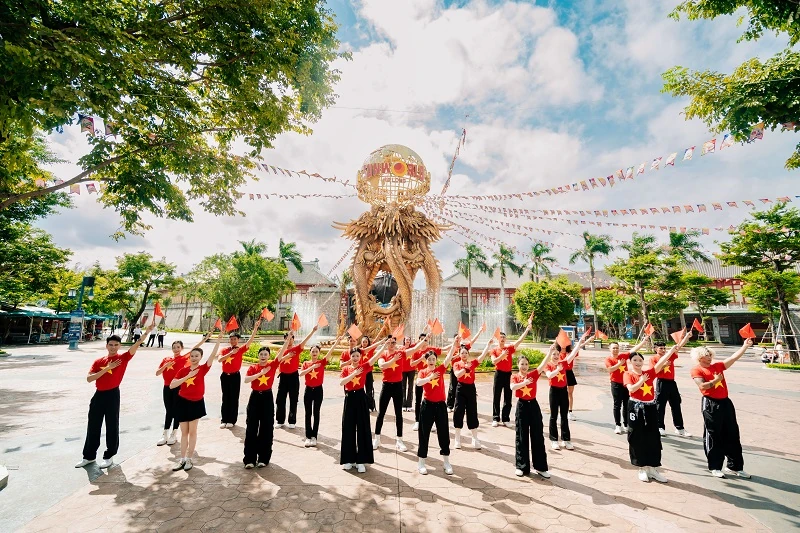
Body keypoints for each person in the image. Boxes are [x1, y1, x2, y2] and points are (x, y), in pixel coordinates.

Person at [75, 324, 153, 469]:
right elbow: (89, 379)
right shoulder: (99, 361)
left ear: (119, 346)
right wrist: (107, 369)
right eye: (110, 344)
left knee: (112, 425)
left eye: (116, 345)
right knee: (93, 426)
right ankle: (89, 456)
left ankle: (109, 456)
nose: (113, 347)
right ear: (106, 346)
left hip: (113, 395)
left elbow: (136, 344)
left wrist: (147, 332)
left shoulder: (123, 358)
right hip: (98, 395)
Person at [625, 329, 692, 483]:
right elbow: (631, 389)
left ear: (643, 362)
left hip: (649, 407)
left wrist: (673, 349)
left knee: (653, 437)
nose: (637, 362)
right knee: (637, 436)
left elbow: (662, 362)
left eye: (640, 360)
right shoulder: (628, 374)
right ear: (630, 362)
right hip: (635, 407)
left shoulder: (649, 372)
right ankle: (642, 467)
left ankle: (653, 468)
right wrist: (641, 381)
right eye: (634, 360)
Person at [690, 339, 753, 479]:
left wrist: (744, 346)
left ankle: (734, 466)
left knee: (732, 434)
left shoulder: (718, 366)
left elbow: (733, 358)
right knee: (713, 435)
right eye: (706, 354)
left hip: (725, 403)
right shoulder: (697, 369)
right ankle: (715, 466)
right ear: (700, 357)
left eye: (710, 353)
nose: (709, 356)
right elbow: (702, 386)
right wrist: (715, 381)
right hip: (710, 404)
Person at [169, 329, 225, 471]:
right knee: (184, 433)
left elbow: (213, 355)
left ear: (200, 357)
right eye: (192, 355)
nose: (193, 357)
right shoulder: (183, 370)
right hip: (182, 402)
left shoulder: (202, 369)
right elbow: (172, 385)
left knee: (192, 432)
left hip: (196, 403)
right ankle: (181, 459)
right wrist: (187, 377)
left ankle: (189, 459)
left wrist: (218, 340)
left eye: (196, 356)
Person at [155, 333, 212, 446]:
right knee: (169, 410)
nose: (176, 349)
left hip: (179, 388)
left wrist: (205, 339)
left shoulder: (184, 357)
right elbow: (157, 373)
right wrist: (165, 366)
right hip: (167, 387)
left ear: (182, 348)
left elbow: (195, 349)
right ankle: (165, 433)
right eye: (174, 347)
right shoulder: (166, 359)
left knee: (177, 411)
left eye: (178, 347)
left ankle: (174, 433)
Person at [545, 330, 593, 450]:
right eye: (554, 354)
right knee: (553, 416)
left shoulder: (564, 362)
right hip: (554, 392)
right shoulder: (548, 365)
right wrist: (557, 369)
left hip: (563, 392)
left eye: (557, 354)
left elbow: (573, 353)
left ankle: (566, 440)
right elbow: (549, 375)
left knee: (564, 416)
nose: (556, 356)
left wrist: (581, 340)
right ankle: (554, 440)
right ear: (550, 355)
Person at [242, 343, 287, 468]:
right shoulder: (253, 367)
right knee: (251, 427)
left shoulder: (272, 365)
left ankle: (263, 458)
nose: (263, 356)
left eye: (265, 354)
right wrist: (260, 374)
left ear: (269, 356)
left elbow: (281, 354)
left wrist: (288, 340)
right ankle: (249, 459)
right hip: (255, 397)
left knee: (266, 428)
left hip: (267, 397)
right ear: (258, 356)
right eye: (261, 354)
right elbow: (246, 380)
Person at [510, 347, 552, 478]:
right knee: (521, 436)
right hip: (522, 406)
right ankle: (521, 466)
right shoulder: (515, 376)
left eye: (526, 364)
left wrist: (549, 352)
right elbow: (513, 387)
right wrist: (524, 383)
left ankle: (540, 467)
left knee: (537, 435)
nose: (524, 366)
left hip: (533, 405)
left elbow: (542, 365)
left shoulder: (533, 375)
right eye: (522, 364)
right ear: (518, 365)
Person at [416, 345, 457, 475]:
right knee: (424, 434)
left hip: (440, 406)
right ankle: (421, 462)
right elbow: (418, 383)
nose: (432, 361)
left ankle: (446, 462)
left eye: (434, 359)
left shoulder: (440, 369)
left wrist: (455, 345)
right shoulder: (423, 372)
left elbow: (449, 357)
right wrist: (429, 378)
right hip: (427, 406)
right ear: (426, 360)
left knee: (444, 433)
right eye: (429, 359)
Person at [340, 347, 382, 473]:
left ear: (360, 357)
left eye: (357, 356)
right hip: (349, 398)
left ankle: (361, 460)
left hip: (360, 398)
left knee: (363, 428)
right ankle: (349, 459)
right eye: (353, 356)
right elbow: (342, 382)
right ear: (350, 357)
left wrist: (384, 346)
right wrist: (353, 374)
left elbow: (374, 358)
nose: (355, 358)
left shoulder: (364, 366)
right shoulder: (346, 369)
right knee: (348, 428)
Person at [219, 320, 262, 429]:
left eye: (235, 339)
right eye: (231, 339)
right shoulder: (225, 350)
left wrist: (255, 329)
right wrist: (230, 353)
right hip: (225, 376)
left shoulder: (240, 350)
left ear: (238, 340)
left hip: (235, 376)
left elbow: (250, 341)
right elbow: (220, 360)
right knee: (225, 397)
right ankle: (224, 419)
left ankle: (232, 420)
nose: (233, 341)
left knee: (233, 398)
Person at [491, 317, 533, 427]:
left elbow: (519, 341)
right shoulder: (494, 350)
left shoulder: (509, 348)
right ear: (497, 339)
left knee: (508, 396)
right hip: (499, 374)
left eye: (504, 337)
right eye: (501, 337)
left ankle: (506, 418)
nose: (503, 338)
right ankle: (496, 418)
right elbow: (494, 361)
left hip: (508, 374)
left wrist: (527, 329)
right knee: (496, 395)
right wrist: (502, 356)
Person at [605, 334, 651, 435]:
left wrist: (643, 341)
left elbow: (634, 349)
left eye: (617, 348)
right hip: (616, 384)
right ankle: (618, 425)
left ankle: (626, 424)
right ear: (610, 349)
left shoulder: (623, 356)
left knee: (627, 404)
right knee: (617, 405)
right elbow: (610, 369)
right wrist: (619, 364)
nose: (616, 350)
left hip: (626, 384)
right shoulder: (608, 359)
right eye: (613, 348)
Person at [299, 338, 341, 447]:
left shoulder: (322, 362)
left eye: (316, 351)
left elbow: (330, 351)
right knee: (308, 413)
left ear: (319, 353)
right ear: (310, 352)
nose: (314, 353)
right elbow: (301, 374)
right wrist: (312, 367)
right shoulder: (306, 363)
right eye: (312, 351)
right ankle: (308, 436)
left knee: (316, 413)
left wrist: (337, 342)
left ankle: (314, 436)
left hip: (318, 390)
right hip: (308, 390)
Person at [453, 340, 494, 449]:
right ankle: (457, 438)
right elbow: (457, 374)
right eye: (462, 353)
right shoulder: (456, 364)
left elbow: (482, 356)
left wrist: (488, 345)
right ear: (459, 354)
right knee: (458, 412)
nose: (464, 354)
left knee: (472, 412)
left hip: (471, 389)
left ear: (468, 354)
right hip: (460, 389)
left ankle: (475, 438)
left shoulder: (472, 363)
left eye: (466, 353)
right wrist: (465, 368)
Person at [275, 325, 318, 429]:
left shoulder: (296, 349)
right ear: (285, 339)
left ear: (293, 340)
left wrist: (312, 331)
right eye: (287, 338)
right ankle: (280, 420)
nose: (289, 340)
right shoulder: (281, 351)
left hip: (294, 376)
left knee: (293, 399)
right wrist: (287, 356)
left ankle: (292, 421)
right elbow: (276, 361)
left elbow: (304, 341)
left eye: (291, 338)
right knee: (281, 399)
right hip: (283, 377)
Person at [373, 336, 409, 451]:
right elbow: (382, 365)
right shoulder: (383, 355)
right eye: (389, 343)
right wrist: (393, 360)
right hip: (387, 386)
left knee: (399, 414)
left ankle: (399, 440)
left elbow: (414, 349)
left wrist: (424, 340)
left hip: (398, 386)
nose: (392, 344)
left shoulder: (400, 353)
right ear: (386, 344)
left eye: (394, 342)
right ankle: (377, 438)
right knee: (381, 413)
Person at [651, 340, 690, 438]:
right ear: (655, 349)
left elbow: (678, 347)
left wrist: (686, 337)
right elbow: (654, 371)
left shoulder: (670, 356)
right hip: (661, 382)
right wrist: (664, 365)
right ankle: (660, 427)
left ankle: (679, 428)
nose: (663, 350)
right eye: (661, 348)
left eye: (664, 348)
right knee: (660, 406)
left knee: (676, 405)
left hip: (672, 383)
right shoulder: (654, 358)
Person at [447, 325, 485, 412]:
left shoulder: (464, 348)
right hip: (455, 369)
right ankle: (449, 405)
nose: (458, 339)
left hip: (465, 369)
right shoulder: (452, 348)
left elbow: (473, 341)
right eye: (456, 338)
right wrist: (458, 354)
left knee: (461, 388)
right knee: (453, 387)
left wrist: (479, 331)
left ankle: (461, 405)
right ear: (454, 339)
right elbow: (449, 359)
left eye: (459, 338)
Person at [401, 334, 429, 412]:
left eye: (409, 340)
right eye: (406, 340)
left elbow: (420, 342)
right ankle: (403, 404)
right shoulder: (401, 348)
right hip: (402, 370)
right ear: (404, 341)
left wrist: (425, 331)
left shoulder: (413, 348)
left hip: (411, 370)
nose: (407, 341)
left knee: (410, 387)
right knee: (403, 387)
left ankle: (409, 405)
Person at [556, 337, 580, 421]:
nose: (563, 345)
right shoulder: (556, 353)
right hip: (560, 374)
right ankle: (560, 411)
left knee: (570, 393)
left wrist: (584, 340)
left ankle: (570, 412)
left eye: (565, 343)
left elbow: (578, 348)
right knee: (561, 394)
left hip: (569, 373)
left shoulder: (570, 353)